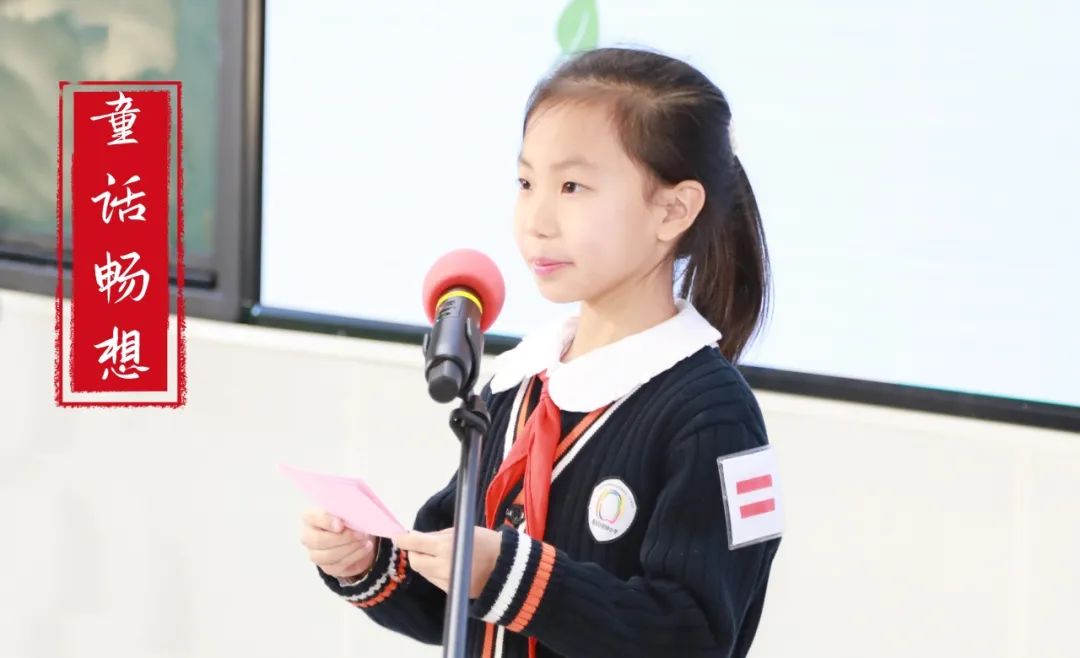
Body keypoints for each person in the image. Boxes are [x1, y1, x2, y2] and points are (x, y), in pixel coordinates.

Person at [300, 46, 782, 658]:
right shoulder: (520, 381)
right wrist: (370, 560)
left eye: (572, 186)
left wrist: (515, 577)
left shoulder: (714, 418)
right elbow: (456, 605)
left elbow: (692, 637)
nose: (537, 220)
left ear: (672, 209)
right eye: (527, 183)